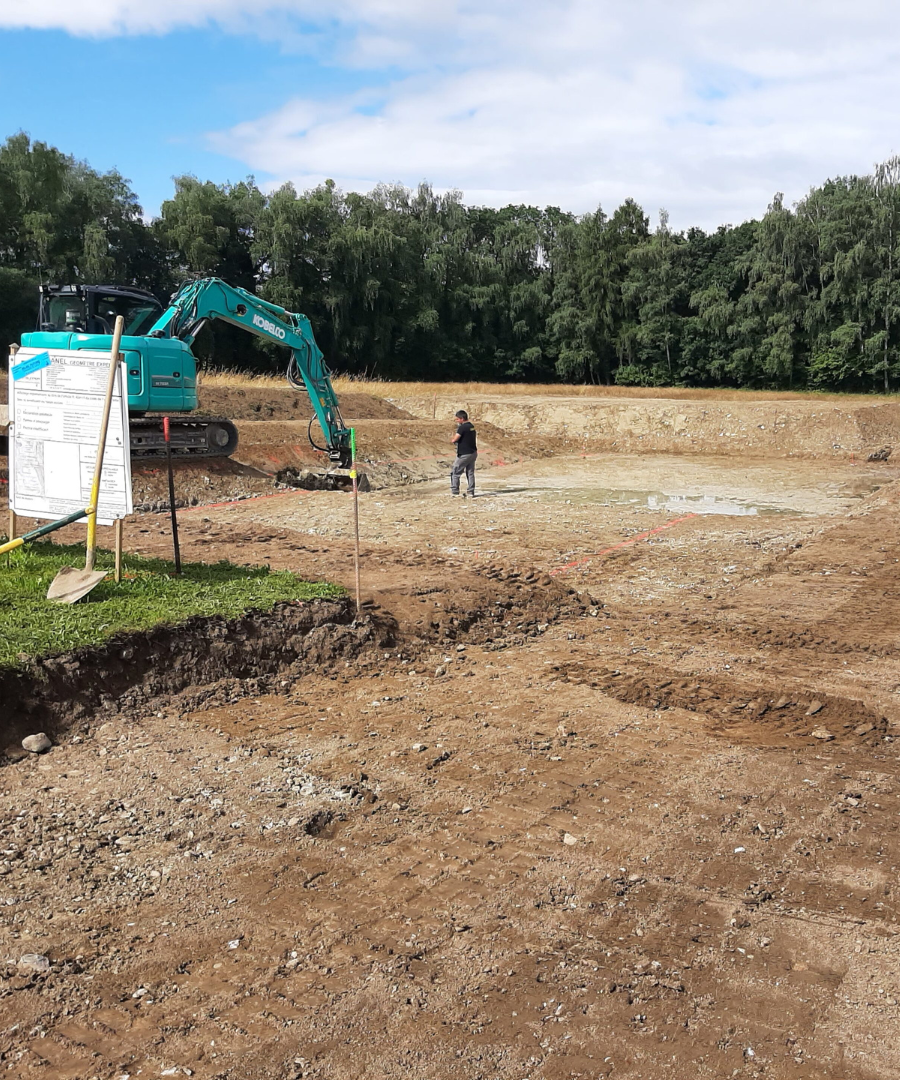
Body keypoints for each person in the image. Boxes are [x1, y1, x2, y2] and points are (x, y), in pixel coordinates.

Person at [450, 409, 477, 497]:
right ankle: (471, 492)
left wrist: (453, 440)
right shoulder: (471, 426)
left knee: (455, 472)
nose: (457, 421)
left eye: (457, 419)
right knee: (470, 472)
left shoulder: (462, 427)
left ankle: (455, 492)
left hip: (464, 454)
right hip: (473, 453)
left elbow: (455, 439)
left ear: (462, 418)